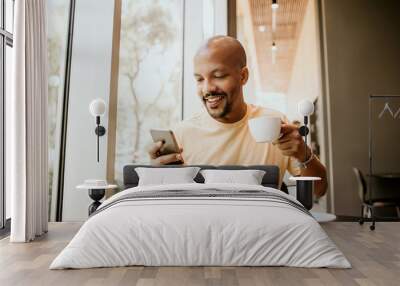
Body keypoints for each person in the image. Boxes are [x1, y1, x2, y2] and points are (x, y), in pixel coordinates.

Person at [148, 36, 327, 197]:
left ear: (243, 76)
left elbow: (318, 191)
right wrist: (156, 178)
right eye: (199, 79)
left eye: (218, 76)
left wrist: (304, 155)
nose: (207, 88)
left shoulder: (275, 124)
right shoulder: (182, 134)